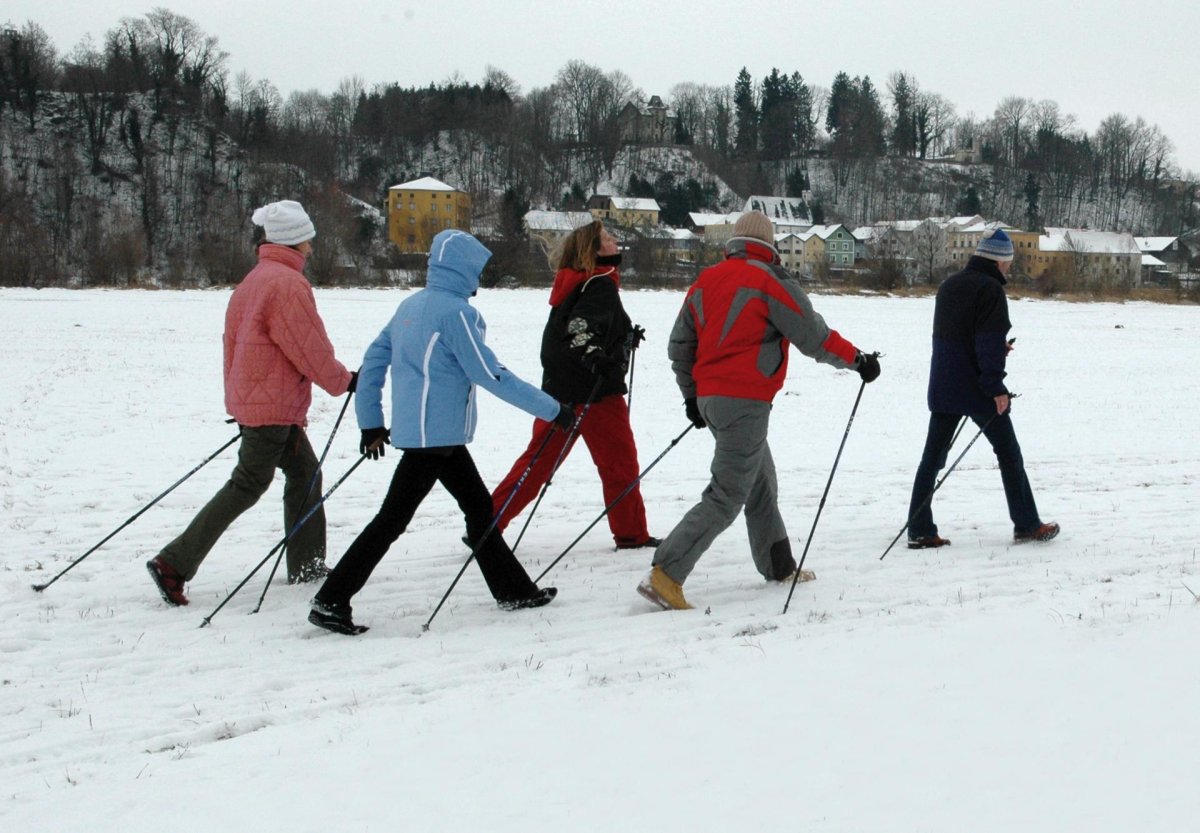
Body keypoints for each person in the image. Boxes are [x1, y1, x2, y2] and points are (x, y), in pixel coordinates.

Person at [308, 230, 571, 635]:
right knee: (392, 520)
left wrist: (371, 422)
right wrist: (553, 410)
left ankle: (514, 590)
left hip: (432, 437)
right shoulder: (456, 314)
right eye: (477, 271)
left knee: (479, 512)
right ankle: (331, 600)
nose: (479, 279)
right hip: (436, 441)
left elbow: (373, 362)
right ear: (462, 269)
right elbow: (489, 374)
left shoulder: (409, 307)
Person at [637, 210, 881, 611]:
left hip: (712, 401)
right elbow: (814, 337)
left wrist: (692, 397)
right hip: (745, 401)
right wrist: (858, 360)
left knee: (760, 480)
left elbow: (679, 346)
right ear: (769, 245)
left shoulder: (705, 281)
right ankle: (666, 573)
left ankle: (778, 565)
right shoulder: (769, 281)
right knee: (727, 494)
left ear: (734, 241)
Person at [146, 200, 355, 606]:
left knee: (305, 475)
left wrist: (240, 402)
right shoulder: (287, 285)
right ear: (298, 240)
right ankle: (173, 563)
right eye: (309, 239)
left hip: (262, 403)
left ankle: (307, 564)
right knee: (248, 484)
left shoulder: (255, 279)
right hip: (272, 407)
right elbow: (308, 348)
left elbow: (232, 346)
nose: (312, 247)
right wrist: (343, 381)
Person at [490, 220, 658, 550]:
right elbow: (581, 330)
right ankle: (631, 534)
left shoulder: (573, 283)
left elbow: (574, 328)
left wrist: (621, 338)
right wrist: (597, 356)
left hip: (557, 391)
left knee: (536, 464)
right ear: (595, 251)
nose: (615, 242)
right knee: (620, 466)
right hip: (595, 393)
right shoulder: (599, 284)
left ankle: (487, 522)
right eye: (609, 239)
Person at [905, 228, 1058, 549]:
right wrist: (996, 387)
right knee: (1009, 454)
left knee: (932, 460)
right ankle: (1027, 524)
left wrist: (994, 349)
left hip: (945, 386)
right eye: (1008, 263)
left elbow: (961, 339)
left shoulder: (949, 286)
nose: (1009, 269)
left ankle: (919, 528)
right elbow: (985, 343)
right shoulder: (990, 290)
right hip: (978, 389)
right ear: (1000, 262)